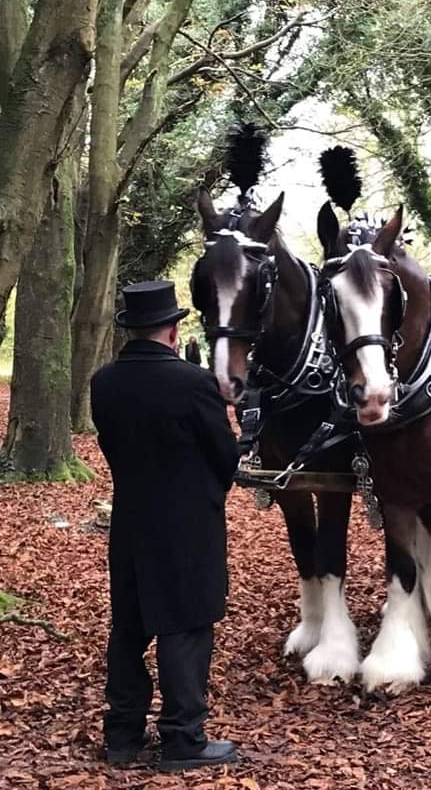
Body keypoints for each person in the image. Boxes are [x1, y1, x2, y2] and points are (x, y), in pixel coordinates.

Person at [91, 281, 240, 771]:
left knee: (129, 628)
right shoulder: (194, 383)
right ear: (174, 330)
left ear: (131, 328)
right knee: (186, 626)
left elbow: (112, 447)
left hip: (132, 519)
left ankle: (123, 736)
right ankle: (182, 737)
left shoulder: (104, 382)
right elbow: (225, 455)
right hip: (188, 523)